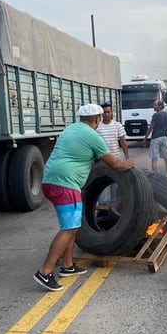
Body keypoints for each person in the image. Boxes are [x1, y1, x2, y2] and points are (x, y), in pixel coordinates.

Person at [34, 103, 135, 292]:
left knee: (72, 227)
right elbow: (115, 165)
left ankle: (68, 265)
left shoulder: (70, 130)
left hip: (50, 181)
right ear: (97, 119)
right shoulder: (93, 136)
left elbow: (80, 154)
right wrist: (127, 163)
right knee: (69, 229)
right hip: (66, 184)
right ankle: (45, 272)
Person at [142, 99, 167, 176]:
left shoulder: (156, 115)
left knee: (154, 158)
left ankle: (155, 176)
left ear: (160, 106)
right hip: (164, 138)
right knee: (166, 158)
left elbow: (151, 128)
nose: (154, 107)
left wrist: (145, 138)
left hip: (155, 138)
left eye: (155, 105)